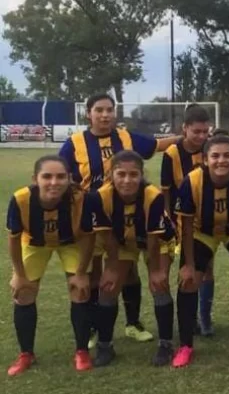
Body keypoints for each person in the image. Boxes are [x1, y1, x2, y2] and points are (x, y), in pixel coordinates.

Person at [59, 93, 179, 346]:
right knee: (95, 274)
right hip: (91, 216)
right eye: (99, 110)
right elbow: (61, 173)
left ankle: (133, 323)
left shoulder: (125, 137)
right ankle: (94, 327)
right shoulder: (74, 143)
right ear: (88, 113)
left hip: (127, 214)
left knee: (129, 271)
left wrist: (188, 138)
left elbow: (157, 145)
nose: (105, 115)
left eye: (109, 110)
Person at [173, 133, 229, 366]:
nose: (221, 160)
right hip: (201, 231)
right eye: (215, 156)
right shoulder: (192, 181)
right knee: (189, 280)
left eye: (227, 156)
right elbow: (185, 225)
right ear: (205, 159)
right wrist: (189, 265)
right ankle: (185, 345)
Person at [6, 155, 95, 375]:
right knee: (23, 292)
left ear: (69, 179)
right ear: (35, 179)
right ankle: (26, 353)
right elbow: (14, 239)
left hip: (71, 242)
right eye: (47, 176)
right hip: (35, 243)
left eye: (60, 177)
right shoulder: (20, 199)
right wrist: (19, 274)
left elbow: (88, 237)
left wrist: (82, 272)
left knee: (81, 290)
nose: (54, 182)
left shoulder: (82, 198)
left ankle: (82, 351)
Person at [89, 151, 178, 367]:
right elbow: (108, 235)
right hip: (122, 243)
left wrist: (156, 269)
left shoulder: (152, 195)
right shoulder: (100, 196)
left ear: (141, 174)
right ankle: (105, 345)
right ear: (111, 174)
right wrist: (111, 266)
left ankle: (165, 344)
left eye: (133, 174)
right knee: (108, 287)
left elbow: (153, 236)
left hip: (156, 242)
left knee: (159, 284)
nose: (127, 180)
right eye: (121, 174)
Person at [160, 104, 211, 336]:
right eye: (196, 131)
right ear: (184, 129)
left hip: (207, 218)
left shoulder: (210, 149)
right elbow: (167, 190)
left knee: (206, 269)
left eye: (205, 132)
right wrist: (169, 220)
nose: (201, 136)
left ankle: (204, 318)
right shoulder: (172, 153)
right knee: (184, 269)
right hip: (181, 220)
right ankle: (187, 319)